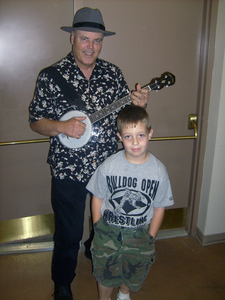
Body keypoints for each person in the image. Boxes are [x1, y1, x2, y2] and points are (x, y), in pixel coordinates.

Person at [29, 7, 149, 300]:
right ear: (72, 38)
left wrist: (140, 105)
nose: (90, 47)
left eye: (97, 41)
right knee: (68, 232)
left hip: (107, 167)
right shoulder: (51, 76)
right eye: (85, 39)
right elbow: (35, 121)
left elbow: (126, 118)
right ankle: (62, 282)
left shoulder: (113, 73)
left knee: (105, 226)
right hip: (67, 170)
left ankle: (93, 251)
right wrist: (60, 126)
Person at [86, 105, 174, 300]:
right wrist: (98, 226)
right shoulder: (109, 165)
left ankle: (123, 294)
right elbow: (97, 197)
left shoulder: (159, 171)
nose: (135, 142)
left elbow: (160, 207)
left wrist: (151, 236)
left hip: (140, 233)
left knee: (135, 268)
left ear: (150, 134)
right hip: (108, 230)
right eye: (128, 136)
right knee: (104, 271)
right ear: (119, 136)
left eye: (140, 135)